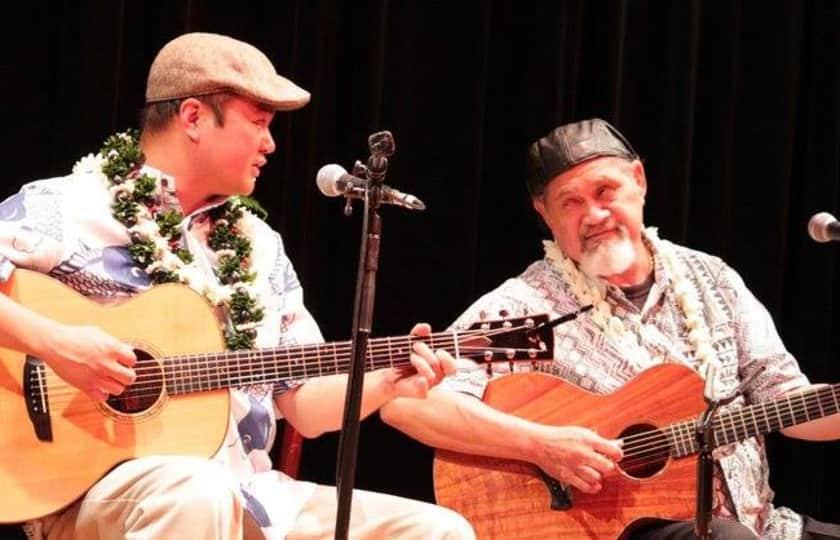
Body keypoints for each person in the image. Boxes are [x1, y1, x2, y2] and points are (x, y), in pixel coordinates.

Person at [0, 32, 474, 539]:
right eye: (259, 123)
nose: (271, 144)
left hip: (253, 494)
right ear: (193, 118)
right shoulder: (67, 207)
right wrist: (61, 345)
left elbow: (304, 405)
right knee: (197, 492)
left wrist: (384, 380)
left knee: (437, 530)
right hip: (101, 491)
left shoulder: (259, 248)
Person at [381, 118, 840, 539]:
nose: (595, 215)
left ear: (638, 181)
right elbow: (409, 405)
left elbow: (787, 401)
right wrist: (543, 445)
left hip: (760, 525)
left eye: (605, 192)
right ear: (544, 213)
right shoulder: (523, 308)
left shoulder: (712, 278)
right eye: (571, 203)